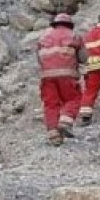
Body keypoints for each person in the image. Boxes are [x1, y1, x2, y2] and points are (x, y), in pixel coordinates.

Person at [36, 13, 86, 146]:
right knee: (73, 99)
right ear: (70, 25)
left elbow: (39, 59)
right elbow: (84, 58)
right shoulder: (74, 36)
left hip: (46, 77)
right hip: (67, 75)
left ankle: (53, 135)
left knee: (50, 104)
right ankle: (65, 122)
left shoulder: (42, 38)